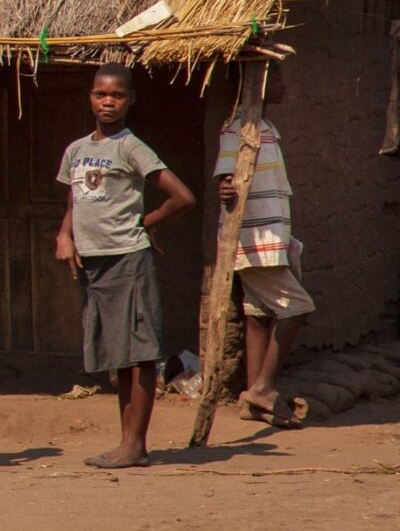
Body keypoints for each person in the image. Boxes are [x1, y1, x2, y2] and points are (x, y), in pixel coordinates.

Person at [54, 63, 194, 469]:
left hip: (128, 260)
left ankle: (136, 444)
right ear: (90, 98)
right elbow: (74, 201)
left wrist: (146, 223)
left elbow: (182, 197)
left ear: (130, 99)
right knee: (117, 356)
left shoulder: (131, 148)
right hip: (93, 265)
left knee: (141, 354)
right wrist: (65, 236)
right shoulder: (78, 150)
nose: (108, 101)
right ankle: (127, 444)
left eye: (116, 95)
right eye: (101, 94)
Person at [214, 62, 314, 429]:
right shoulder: (239, 129)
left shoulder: (266, 129)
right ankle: (263, 389)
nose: (286, 86)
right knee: (297, 306)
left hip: (271, 240)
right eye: (280, 79)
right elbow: (227, 178)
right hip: (255, 241)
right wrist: (225, 187)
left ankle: (253, 397)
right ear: (260, 84)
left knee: (258, 315)